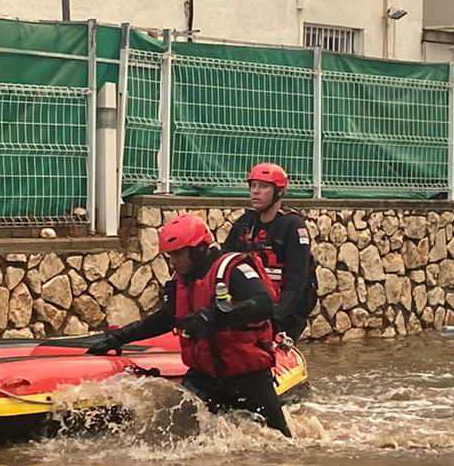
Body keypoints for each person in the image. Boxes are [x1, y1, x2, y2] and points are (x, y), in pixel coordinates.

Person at [86, 213, 292, 437]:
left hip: (248, 378)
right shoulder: (181, 280)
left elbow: (263, 304)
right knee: (171, 435)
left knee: (278, 441)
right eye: (169, 256)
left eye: (178, 254)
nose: (173, 262)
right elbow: (165, 318)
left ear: (199, 249)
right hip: (203, 378)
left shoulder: (234, 270)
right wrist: (120, 337)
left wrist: (219, 315)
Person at [224, 163, 316, 341]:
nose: (255, 192)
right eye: (253, 186)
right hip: (252, 301)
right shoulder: (245, 223)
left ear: (279, 192)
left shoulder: (292, 226)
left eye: (263, 186)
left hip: (287, 307)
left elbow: (297, 280)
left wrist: (277, 317)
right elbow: (225, 259)